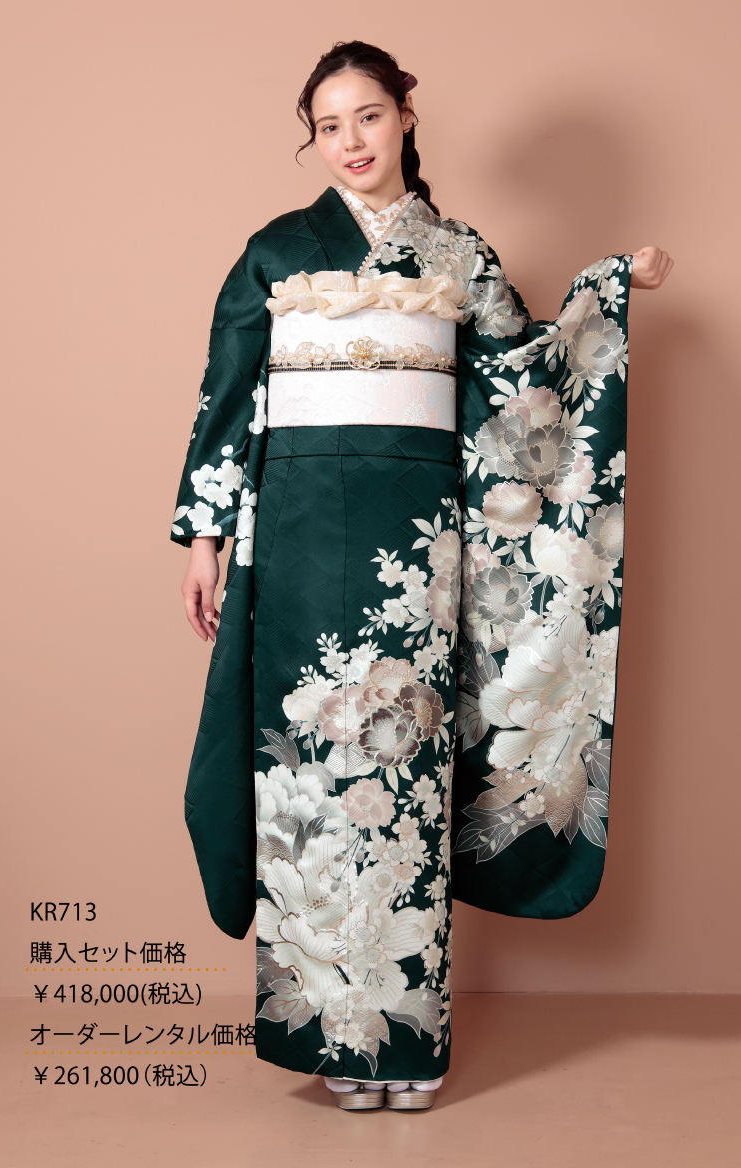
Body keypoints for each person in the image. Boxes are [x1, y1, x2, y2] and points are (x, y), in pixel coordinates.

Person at [171, 40, 672, 1111]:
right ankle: (332, 1039)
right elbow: (227, 396)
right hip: (299, 533)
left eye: (367, 115)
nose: (350, 141)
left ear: (405, 112)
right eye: (328, 126)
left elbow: (524, 386)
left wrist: (605, 292)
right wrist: (204, 537)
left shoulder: (461, 256)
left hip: (417, 548)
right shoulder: (275, 251)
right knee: (311, 770)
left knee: (405, 767)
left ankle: (407, 1035)